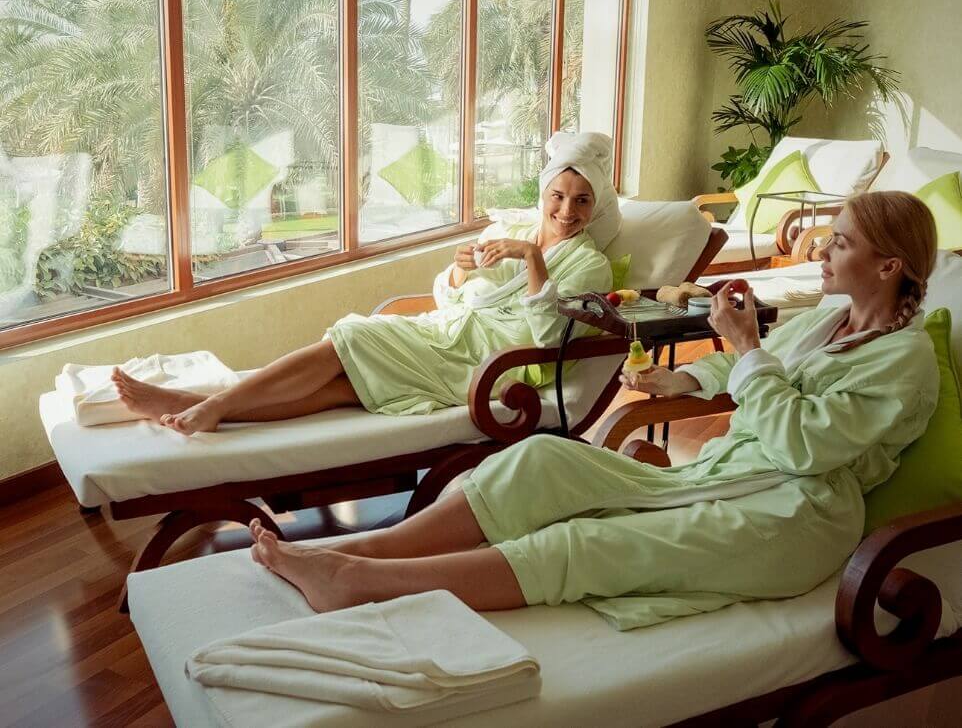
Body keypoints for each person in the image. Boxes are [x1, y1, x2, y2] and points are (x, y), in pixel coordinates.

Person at [246, 190, 940, 631]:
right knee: (542, 459)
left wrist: (750, 350)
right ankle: (351, 548)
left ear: (888, 267)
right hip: (726, 474)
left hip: (792, 514)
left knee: (590, 545)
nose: (821, 249)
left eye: (841, 241)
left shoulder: (903, 362)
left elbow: (806, 448)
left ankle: (360, 582)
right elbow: (755, 365)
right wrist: (696, 379)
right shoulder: (829, 320)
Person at [112, 131, 618, 435]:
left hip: (485, 365)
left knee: (351, 337)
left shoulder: (591, 266)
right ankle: (196, 406)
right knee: (339, 389)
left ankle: (215, 404)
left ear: (595, 207)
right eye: (558, 195)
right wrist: (461, 269)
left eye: (581, 201)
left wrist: (534, 261)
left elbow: (553, 339)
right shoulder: (508, 230)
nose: (565, 211)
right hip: (443, 336)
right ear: (543, 194)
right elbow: (451, 295)